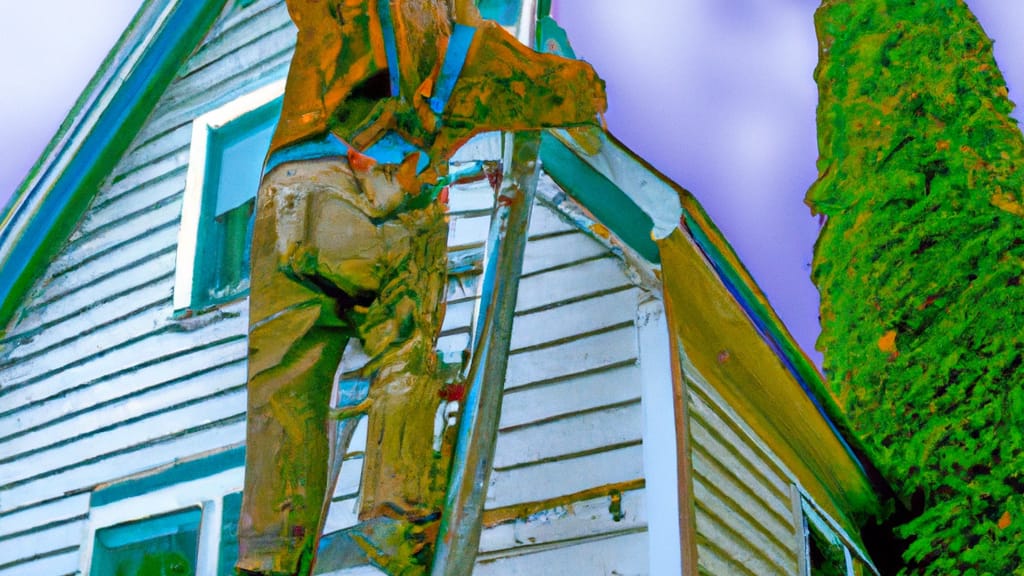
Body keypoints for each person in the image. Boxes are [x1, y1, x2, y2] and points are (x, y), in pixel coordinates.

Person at [236, 1, 606, 574]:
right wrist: (584, 85)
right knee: (404, 352)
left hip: (284, 193)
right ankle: (393, 514)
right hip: (378, 200)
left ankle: (268, 555)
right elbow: (555, 89)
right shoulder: (462, 37)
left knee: (280, 393)